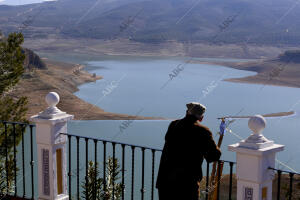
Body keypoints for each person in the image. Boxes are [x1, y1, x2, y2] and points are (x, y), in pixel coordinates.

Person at [156, 102, 221, 200]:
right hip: (186, 185)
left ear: (187, 112)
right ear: (201, 118)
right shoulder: (203, 131)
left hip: (165, 181)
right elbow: (213, 156)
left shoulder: (173, 125)